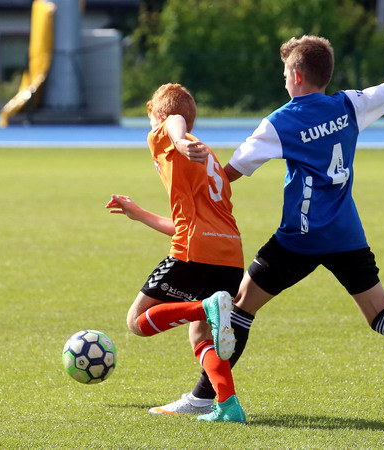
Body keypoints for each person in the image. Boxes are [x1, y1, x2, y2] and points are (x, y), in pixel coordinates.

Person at [217, 19, 384, 417]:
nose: (284, 81)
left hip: (300, 237)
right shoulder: (349, 104)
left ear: (297, 76)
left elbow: (230, 173)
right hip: (346, 233)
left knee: (241, 306)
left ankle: (206, 396)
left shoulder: (281, 121)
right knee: (380, 312)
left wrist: (191, 174)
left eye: (285, 74)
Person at [105, 83, 251, 423]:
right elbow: (184, 223)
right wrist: (138, 213)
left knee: (137, 322)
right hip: (230, 254)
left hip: (195, 251)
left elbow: (172, 120)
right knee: (200, 334)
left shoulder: (167, 136)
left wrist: (179, 138)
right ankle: (227, 404)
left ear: (156, 116)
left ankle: (207, 307)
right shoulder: (207, 156)